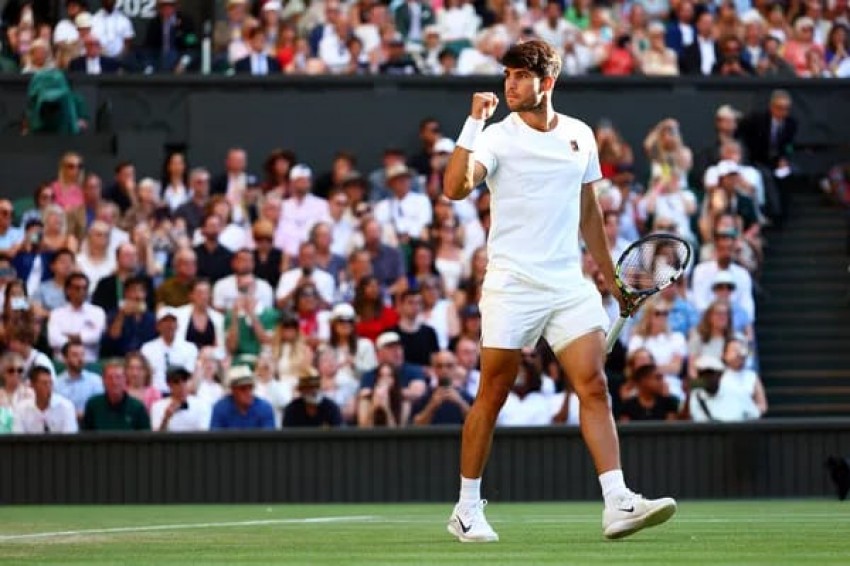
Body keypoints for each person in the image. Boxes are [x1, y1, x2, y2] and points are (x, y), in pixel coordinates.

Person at [441, 40, 675, 542]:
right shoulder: (495, 138)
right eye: (507, 75)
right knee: (493, 393)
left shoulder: (580, 136)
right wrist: (473, 123)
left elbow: (589, 213)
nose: (509, 84)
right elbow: (455, 188)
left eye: (520, 76)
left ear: (546, 83)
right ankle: (465, 508)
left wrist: (613, 278)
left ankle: (617, 501)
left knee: (594, 385)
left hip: (568, 283)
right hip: (511, 284)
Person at [82, 359, 151, 431]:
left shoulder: (137, 408)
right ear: (103, 380)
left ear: (125, 379)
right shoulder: (93, 405)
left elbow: (146, 439)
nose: (114, 382)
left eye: (118, 377)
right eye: (110, 378)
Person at [412, 351, 473, 426]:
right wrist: (432, 405)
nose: (444, 370)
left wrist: (460, 402)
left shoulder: (467, 398)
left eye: (449, 366)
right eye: (439, 366)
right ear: (434, 369)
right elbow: (415, 426)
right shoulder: (424, 398)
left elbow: (478, 424)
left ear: (456, 368)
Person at [12, 366, 78, 433]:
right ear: (32, 385)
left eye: (50, 383)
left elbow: (70, 439)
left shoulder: (66, 407)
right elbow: (18, 438)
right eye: (44, 383)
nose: (48, 387)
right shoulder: (21, 409)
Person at [210, 365, 276, 430]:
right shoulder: (220, 409)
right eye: (243, 388)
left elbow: (269, 439)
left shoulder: (264, 408)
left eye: (250, 387)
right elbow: (215, 438)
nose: (248, 392)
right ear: (233, 390)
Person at [150, 366, 211, 432]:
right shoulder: (158, 406)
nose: (182, 385)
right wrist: (166, 418)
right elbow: (157, 438)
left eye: (185, 380)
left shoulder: (202, 405)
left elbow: (203, 435)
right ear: (169, 384)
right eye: (176, 382)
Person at [54, 339, 103, 420]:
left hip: (90, 426)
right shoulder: (56, 383)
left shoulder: (96, 380)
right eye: (75, 355)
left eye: (82, 354)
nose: (80, 359)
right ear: (65, 359)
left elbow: (100, 408)